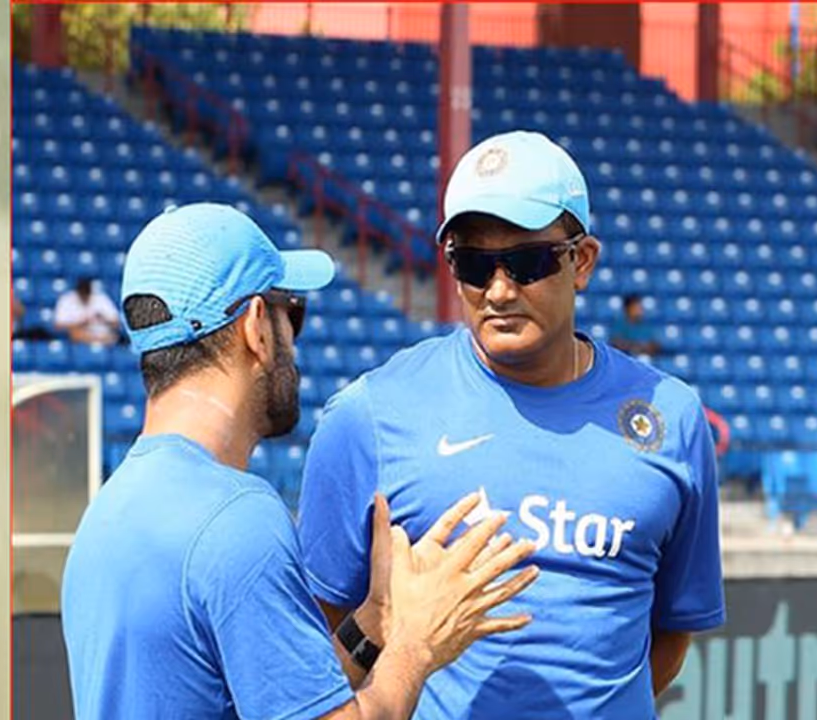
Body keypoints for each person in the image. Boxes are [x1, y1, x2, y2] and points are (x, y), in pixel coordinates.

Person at [298, 130, 726, 718]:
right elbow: (315, 652)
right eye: (473, 265)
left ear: (582, 262)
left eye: (527, 263)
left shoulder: (671, 417)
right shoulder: (368, 415)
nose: (498, 291)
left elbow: (670, 635)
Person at [60, 203, 540, 720]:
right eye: (293, 314)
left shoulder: (109, 510)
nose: (293, 340)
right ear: (256, 327)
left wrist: (375, 620)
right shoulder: (236, 519)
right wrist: (417, 644)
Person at [53, 276, 122, 345]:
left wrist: (103, 318)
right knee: (75, 333)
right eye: (82, 293)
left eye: (87, 293)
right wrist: (82, 323)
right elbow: (58, 326)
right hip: (79, 337)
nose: (85, 296)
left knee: (113, 336)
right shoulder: (66, 299)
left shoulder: (101, 298)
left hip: (102, 333)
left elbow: (117, 324)